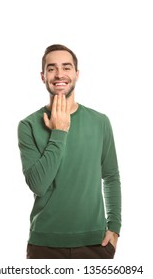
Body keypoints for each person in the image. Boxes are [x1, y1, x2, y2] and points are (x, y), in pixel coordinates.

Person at [17, 44, 121, 259]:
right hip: (45, 243)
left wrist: (115, 226)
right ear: (43, 76)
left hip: (96, 243)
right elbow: (37, 184)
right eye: (52, 68)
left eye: (66, 67)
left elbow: (111, 177)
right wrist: (59, 131)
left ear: (76, 74)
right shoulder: (28, 125)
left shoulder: (100, 121)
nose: (59, 74)